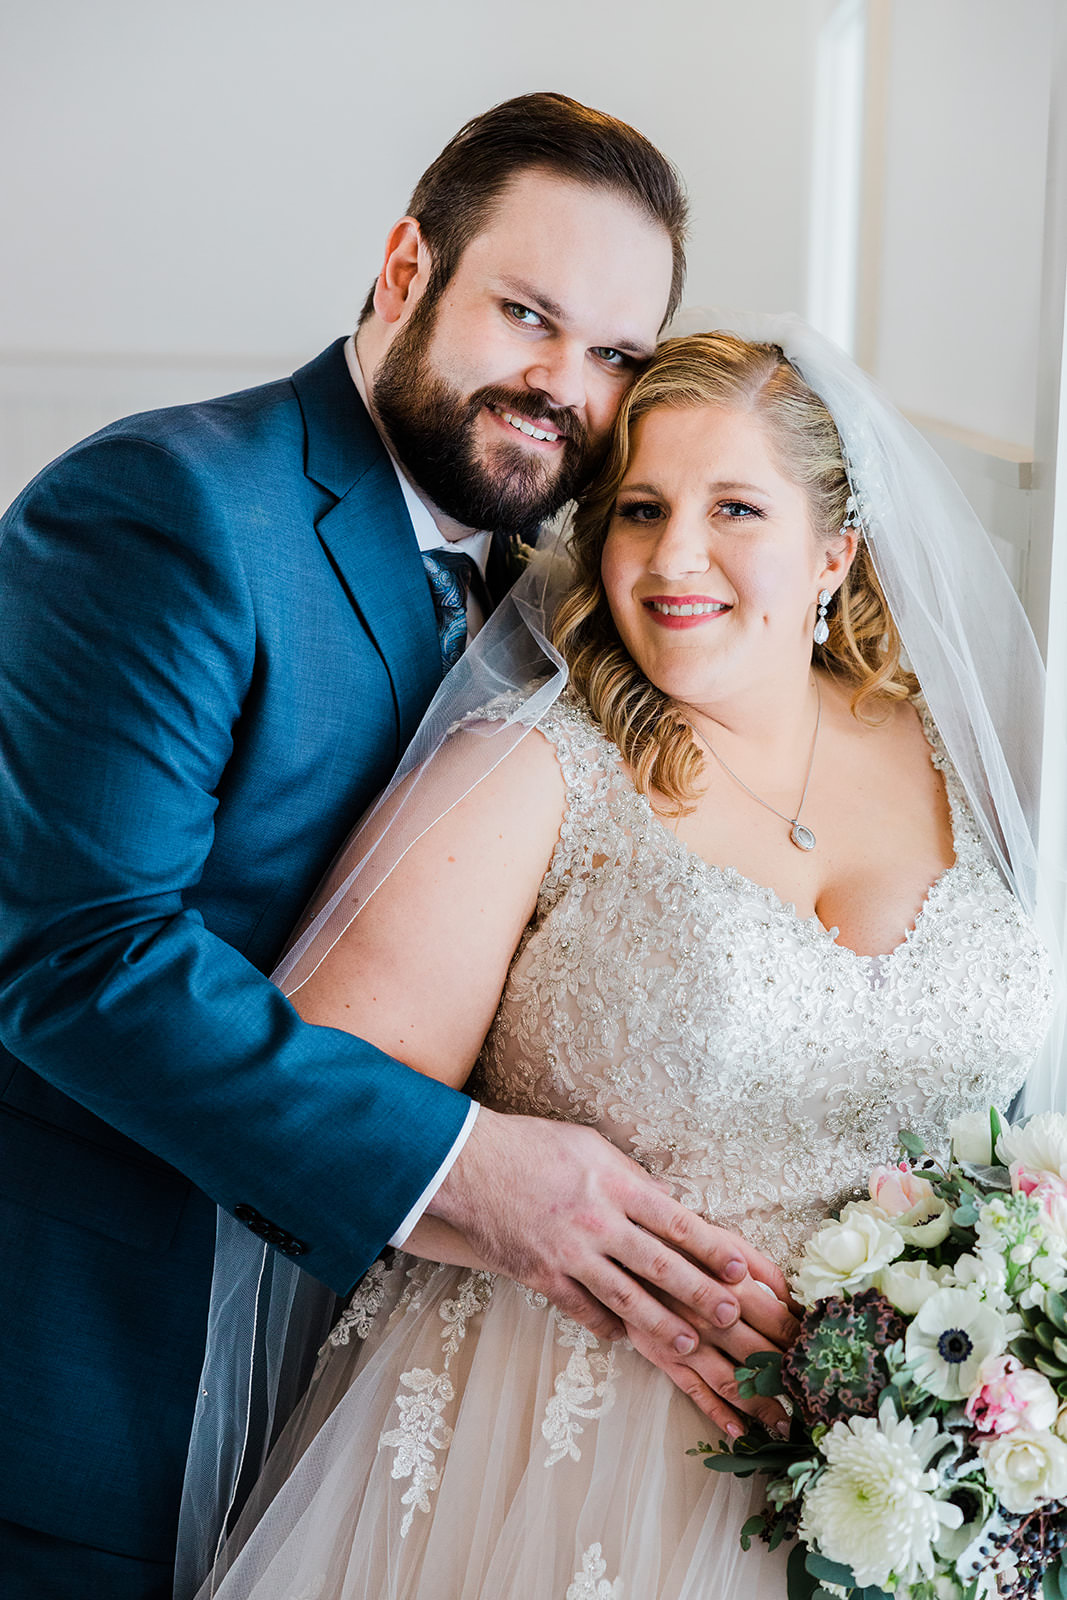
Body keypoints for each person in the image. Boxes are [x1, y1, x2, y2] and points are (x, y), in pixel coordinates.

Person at [0, 96, 791, 1600]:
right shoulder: (167, 507)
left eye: (615, 353)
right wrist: (463, 1169)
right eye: (527, 314)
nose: (564, 384)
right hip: (96, 1392)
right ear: (402, 267)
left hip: (372, 1432)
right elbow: (73, 956)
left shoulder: (565, 581)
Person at [193, 321, 1059, 1599]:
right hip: (556, 1457)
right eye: (640, 508)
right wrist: (525, 1217)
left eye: (732, 508)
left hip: (918, 1481)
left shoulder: (966, 761)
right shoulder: (523, 770)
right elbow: (307, 1107)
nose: (673, 557)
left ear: (835, 553)